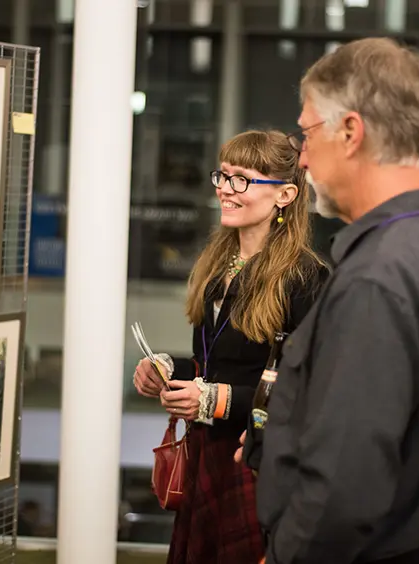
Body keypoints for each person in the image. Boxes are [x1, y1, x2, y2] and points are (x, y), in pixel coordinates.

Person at [249, 37, 419, 564]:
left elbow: (341, 492)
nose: (301, 157)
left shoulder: (376, 279)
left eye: (306, 133)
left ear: (351, 131)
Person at [133, 129, 328, 564]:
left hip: (254, 461)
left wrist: (214, 401)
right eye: (222, 176)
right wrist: (170, 368)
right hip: (209, 455)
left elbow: (309, 391)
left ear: (285, 195)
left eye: (242, 179)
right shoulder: (219, 265)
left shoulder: (304, 278)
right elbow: (217, 363)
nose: (225, 188)